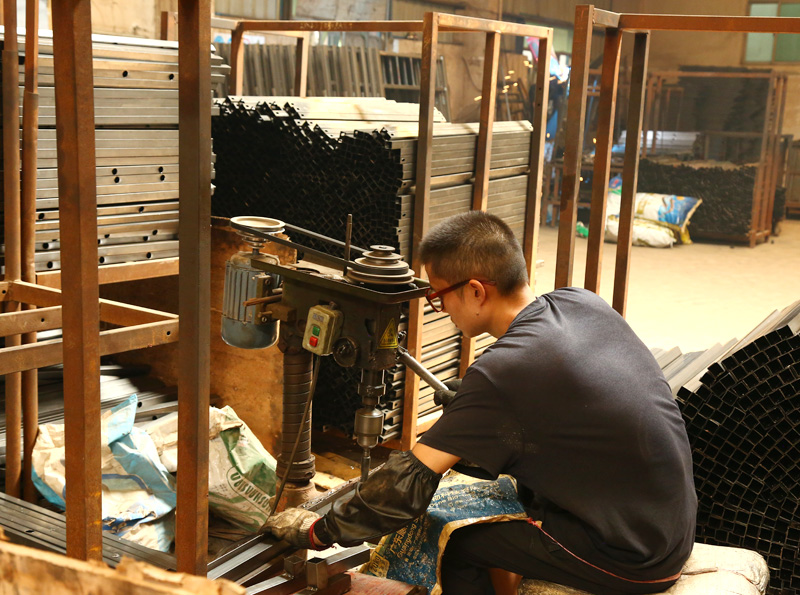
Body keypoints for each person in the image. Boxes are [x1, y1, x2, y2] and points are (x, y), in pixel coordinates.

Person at [263, 211, 697, 595]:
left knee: (453, 542)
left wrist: (320, 530)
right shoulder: (580, 302)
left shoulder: (503, 373)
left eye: (438, 296)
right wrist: (472, 406)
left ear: (475, 290)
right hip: (664, 525)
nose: (439, 308)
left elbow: (404, 488)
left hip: (631, 558)